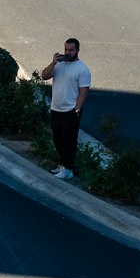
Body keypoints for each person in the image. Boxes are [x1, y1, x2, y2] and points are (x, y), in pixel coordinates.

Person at [41, 38, 91, 180]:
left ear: (77, 51)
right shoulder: (59, 64)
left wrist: (76, 110)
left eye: (71, 50)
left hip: (71, 110)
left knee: (69, 141)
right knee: (58, 139)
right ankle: (63, 165)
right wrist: (53, 62)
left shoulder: (82, 69)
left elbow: (83, 92)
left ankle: (68, 169)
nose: (68, 53)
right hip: (56, 108)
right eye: (66, 50)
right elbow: (44, 76)